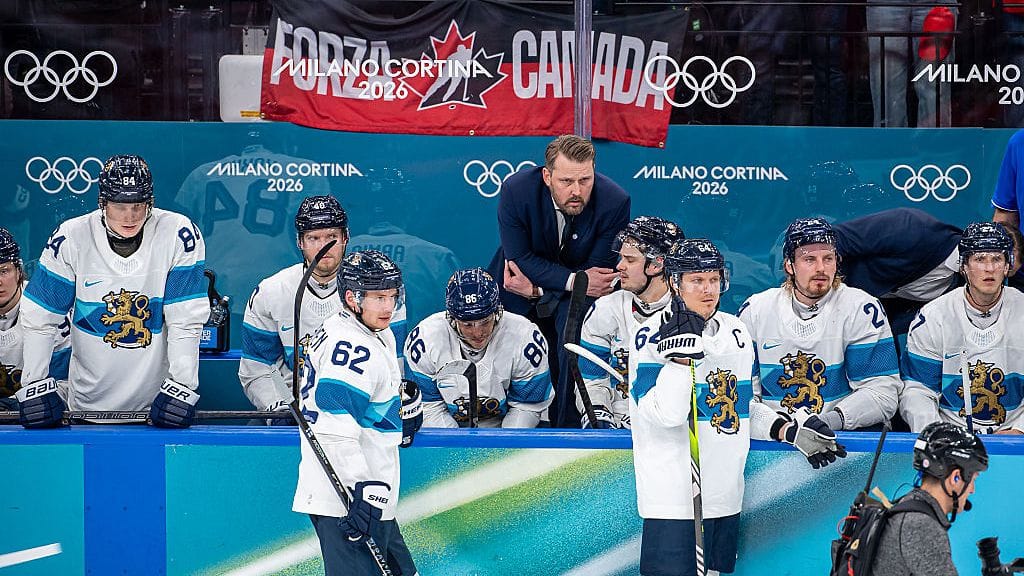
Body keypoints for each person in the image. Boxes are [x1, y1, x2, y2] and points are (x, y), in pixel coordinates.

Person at [629, 238, 846, 576]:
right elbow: (665, 415)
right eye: (697, 280)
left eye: (713, 279)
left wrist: (788, 430)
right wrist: (678, 362)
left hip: (725, 496)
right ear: (675, 282)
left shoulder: (736, 332)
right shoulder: (649, 336)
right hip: (674, 501)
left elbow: (739, 408)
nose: (708, 289)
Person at [18, 155, 209, 428]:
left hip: (154, 407)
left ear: (150, 202)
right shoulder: (71, 236)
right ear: (103, 203)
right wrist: (34, 383)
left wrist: (182, 386)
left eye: (137, 206)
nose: (129, 216)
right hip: (86, 405)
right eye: (119, 206)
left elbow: (185, 321)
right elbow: (40, 318)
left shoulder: (178, 233)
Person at [487, 134, 631, 427]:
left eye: (585, 180)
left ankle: (568, 430)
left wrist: (540, 288)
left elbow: (598, 276)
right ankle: (496, 432)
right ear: (547, 176)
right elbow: (519, 258)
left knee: (574, 333)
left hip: (571, 297)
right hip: (516, 288)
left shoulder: (615, 202)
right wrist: (567, 282)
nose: (576, 191)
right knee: (502, 343)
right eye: (566, 181)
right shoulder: (516, 191)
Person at [293, 249, 420, 576]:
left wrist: (401, 408)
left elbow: (369, 400)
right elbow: (335, 428)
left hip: (372, 493)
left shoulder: (373, 332)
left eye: (392, 296)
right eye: (378, 297)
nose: (388, 307)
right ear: (352, 297)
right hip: (348, 498)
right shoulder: (351, 346)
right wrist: (360, 489)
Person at [739, 217, 901, 431]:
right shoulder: (756, 310)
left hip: (844, 442)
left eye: (828, 258)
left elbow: (882, 392)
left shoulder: (861, 308)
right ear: (789, 265)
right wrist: (780, 430)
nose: (821, 268)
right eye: (809, 260)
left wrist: (830, 422)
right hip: (773, 443)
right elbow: (743, 394)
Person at [899, 222, 1024, 434]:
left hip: (1016, 440)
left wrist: (1020, 430)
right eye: (979, 259)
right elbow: (918, 390)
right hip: (949, 440)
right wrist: (937, 435)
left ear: (1007, 265)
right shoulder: (933, 317)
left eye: (997, 259)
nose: (989, 268)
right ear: (964, 266)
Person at [239, 195, 350, 423]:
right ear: (300, 242)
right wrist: (279, 408)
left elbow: (390, 364)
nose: (323, 246)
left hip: (353, 407)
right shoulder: (271, 291)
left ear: (345, 238)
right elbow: (257, 366)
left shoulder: (374, 292)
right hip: (292, 406)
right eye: (314, 238)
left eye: (332, 237)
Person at [404, 268, 552, 428]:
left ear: (497, 312)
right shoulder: (425, 340)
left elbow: (527, 407)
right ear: (452, 319)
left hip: (507, 426)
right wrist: (458, 448)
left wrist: (504, 448)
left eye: (485, 321)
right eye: (467, 324)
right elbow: (429, 407)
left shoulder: (524, 336)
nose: (478, 332)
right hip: (449, 428)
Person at [577, 216, 683, 429]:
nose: (619, 266)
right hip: (616, 429)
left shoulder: (690, 315)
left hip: (672, 430)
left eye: (630, 260)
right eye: (621, 258)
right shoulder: (605, 310)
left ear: (656, 264)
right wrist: (598, 416)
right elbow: (592, 379)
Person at [870, 422, 987, 575]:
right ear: (956, 477)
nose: (972, 490)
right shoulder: (919, 525)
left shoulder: (908, 505)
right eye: (973, 479)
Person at [0, 227, 70, 411]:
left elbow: (68, 381)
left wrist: (27, 401)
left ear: (19, 271)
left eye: (4, 271)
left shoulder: (47, 307)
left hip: (38, 420)